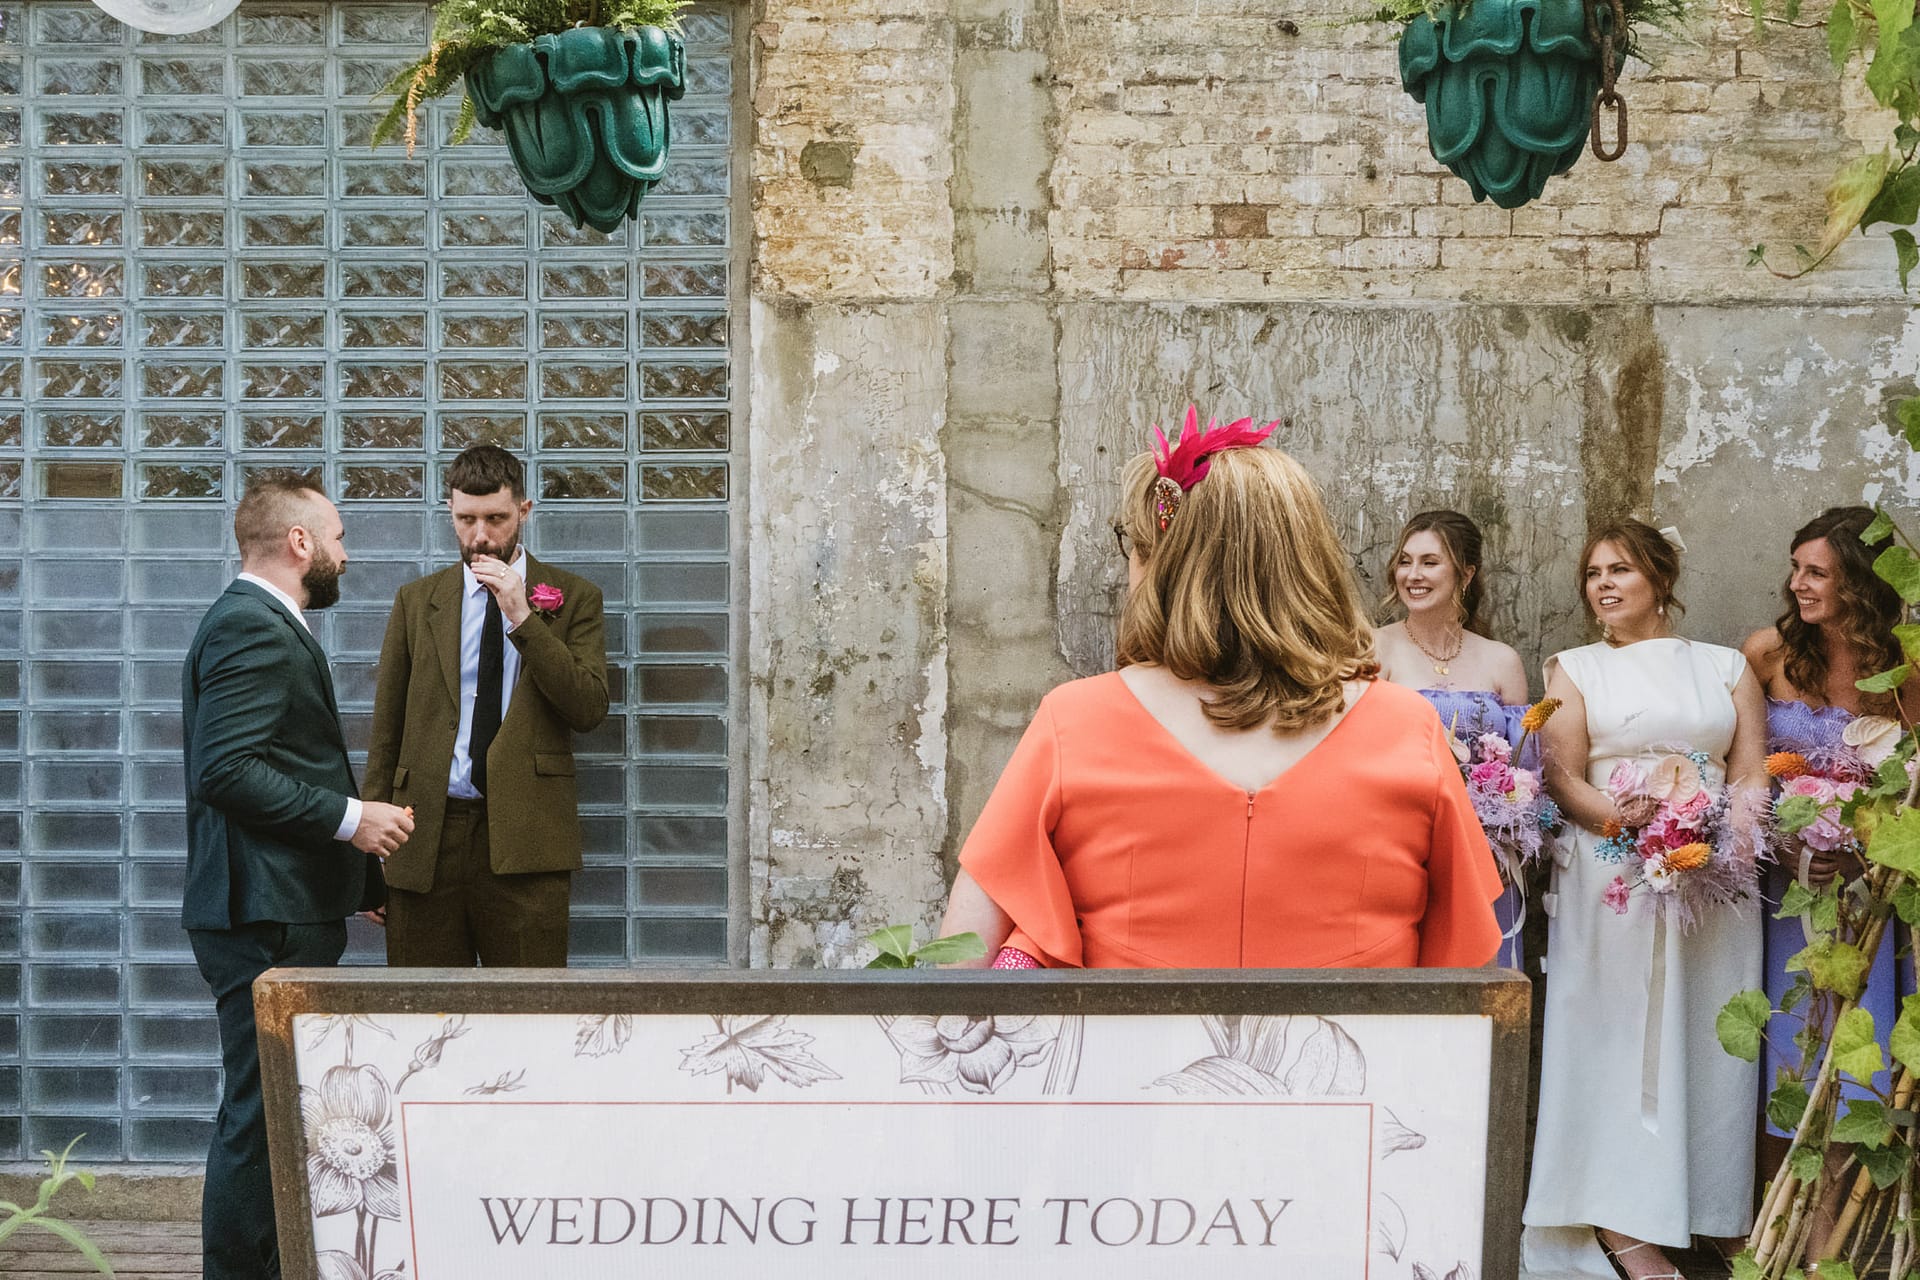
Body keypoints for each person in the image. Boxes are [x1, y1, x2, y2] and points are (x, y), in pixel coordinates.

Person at [937, 408, 1503, 969]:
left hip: (1131, 1058)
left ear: (1158, 564)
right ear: (1307, 563)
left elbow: (959, 961)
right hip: (1353, 1057)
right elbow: (1464, 969)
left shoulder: (1073, 721)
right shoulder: (1407, 728)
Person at [181, 479, 414, 1280]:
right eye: (340, 536)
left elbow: (275, 765)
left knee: (274, 1111)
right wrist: (355, 819)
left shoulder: (257, 622)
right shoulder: (254, 627)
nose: (347, 553)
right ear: (301, 543)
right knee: (260, 1115)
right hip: (262, 916)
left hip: (277, 906)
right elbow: (229, 770)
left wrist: (362, 883)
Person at [1522, 520, 1767, 1280]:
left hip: (1716, 878)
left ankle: (1713, 1209)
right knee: (1617, 1038)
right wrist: (1629, 830)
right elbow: (1559, 774)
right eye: (1593, 573)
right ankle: (1620, 1223)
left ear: (1661, 579)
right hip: (1614, 873)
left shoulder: (1726, 665)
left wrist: (1725, 838)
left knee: (1709, 1031)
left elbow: (1751, 767)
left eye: (1620, 569)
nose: (1602, 584)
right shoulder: (1577, 667)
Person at [365, 445, 609, 966]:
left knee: (528, 1018)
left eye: (496, 519)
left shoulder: (574, 598)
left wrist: (522, 617)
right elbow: (386, 728)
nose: (480, 536)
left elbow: (588, 709)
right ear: (450, 514)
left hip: (526, 840)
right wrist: (371, 854)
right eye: (466, 519)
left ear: (524, 510)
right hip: (424, 834)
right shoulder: (417, 600)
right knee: (423, 1021)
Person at [1742, 506, 1906, 1253]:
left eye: (1817, 573)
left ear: (1861, 585)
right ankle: (1775, 1233)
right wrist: (1785, 838)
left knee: (1856, 1061)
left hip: (1876, 900)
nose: (1797, 584)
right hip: (1786, 894)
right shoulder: (1768, 654)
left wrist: (1870, 846)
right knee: (1787, 1053)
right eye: (1795, 568)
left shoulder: (1905, 667)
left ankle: (1825, 1249)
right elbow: (1739, 773)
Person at [1376, 509, 1535, 966]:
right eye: (1405, 561)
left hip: (1487, 855)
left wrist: (1505, 812)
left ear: (1465, 574)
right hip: (1404, 845)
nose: (1413, 575)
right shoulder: (1374, 647)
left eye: (1429, 562)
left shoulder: (1502, 661)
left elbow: (1524, 770)